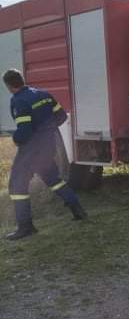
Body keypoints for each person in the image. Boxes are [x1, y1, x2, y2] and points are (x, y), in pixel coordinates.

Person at [3, 69, 87, 241]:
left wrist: (16, 138)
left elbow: (24, 132)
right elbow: (62, 116)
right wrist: (46, 131)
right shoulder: (43, 94)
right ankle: (78, 210)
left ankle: (25, 227)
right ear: (22, 79)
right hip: (49, 146)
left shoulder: (19, 101)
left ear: (9, 86)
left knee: (17, 184)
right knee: (53, 179)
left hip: (31, 150)